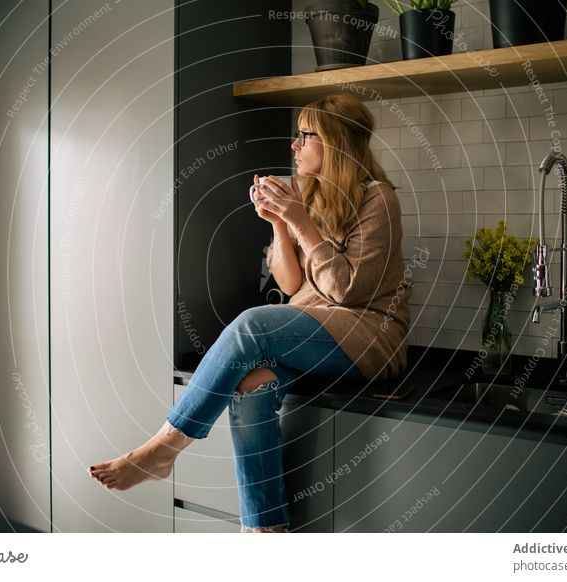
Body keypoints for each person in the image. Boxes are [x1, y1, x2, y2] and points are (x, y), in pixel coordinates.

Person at [89, 92, 411, 532]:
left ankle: (166, 445)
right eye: (295, 136)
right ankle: (264, 529)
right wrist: (278, 222)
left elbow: (347, 293)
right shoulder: (313, 198)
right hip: (319, 333)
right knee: (251, 384)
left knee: (254, 322)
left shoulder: (379, 200)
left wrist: (299, 221)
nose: (294, 146)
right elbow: (293, 285)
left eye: (305, 135)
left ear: (336, 142)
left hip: (368, 338)